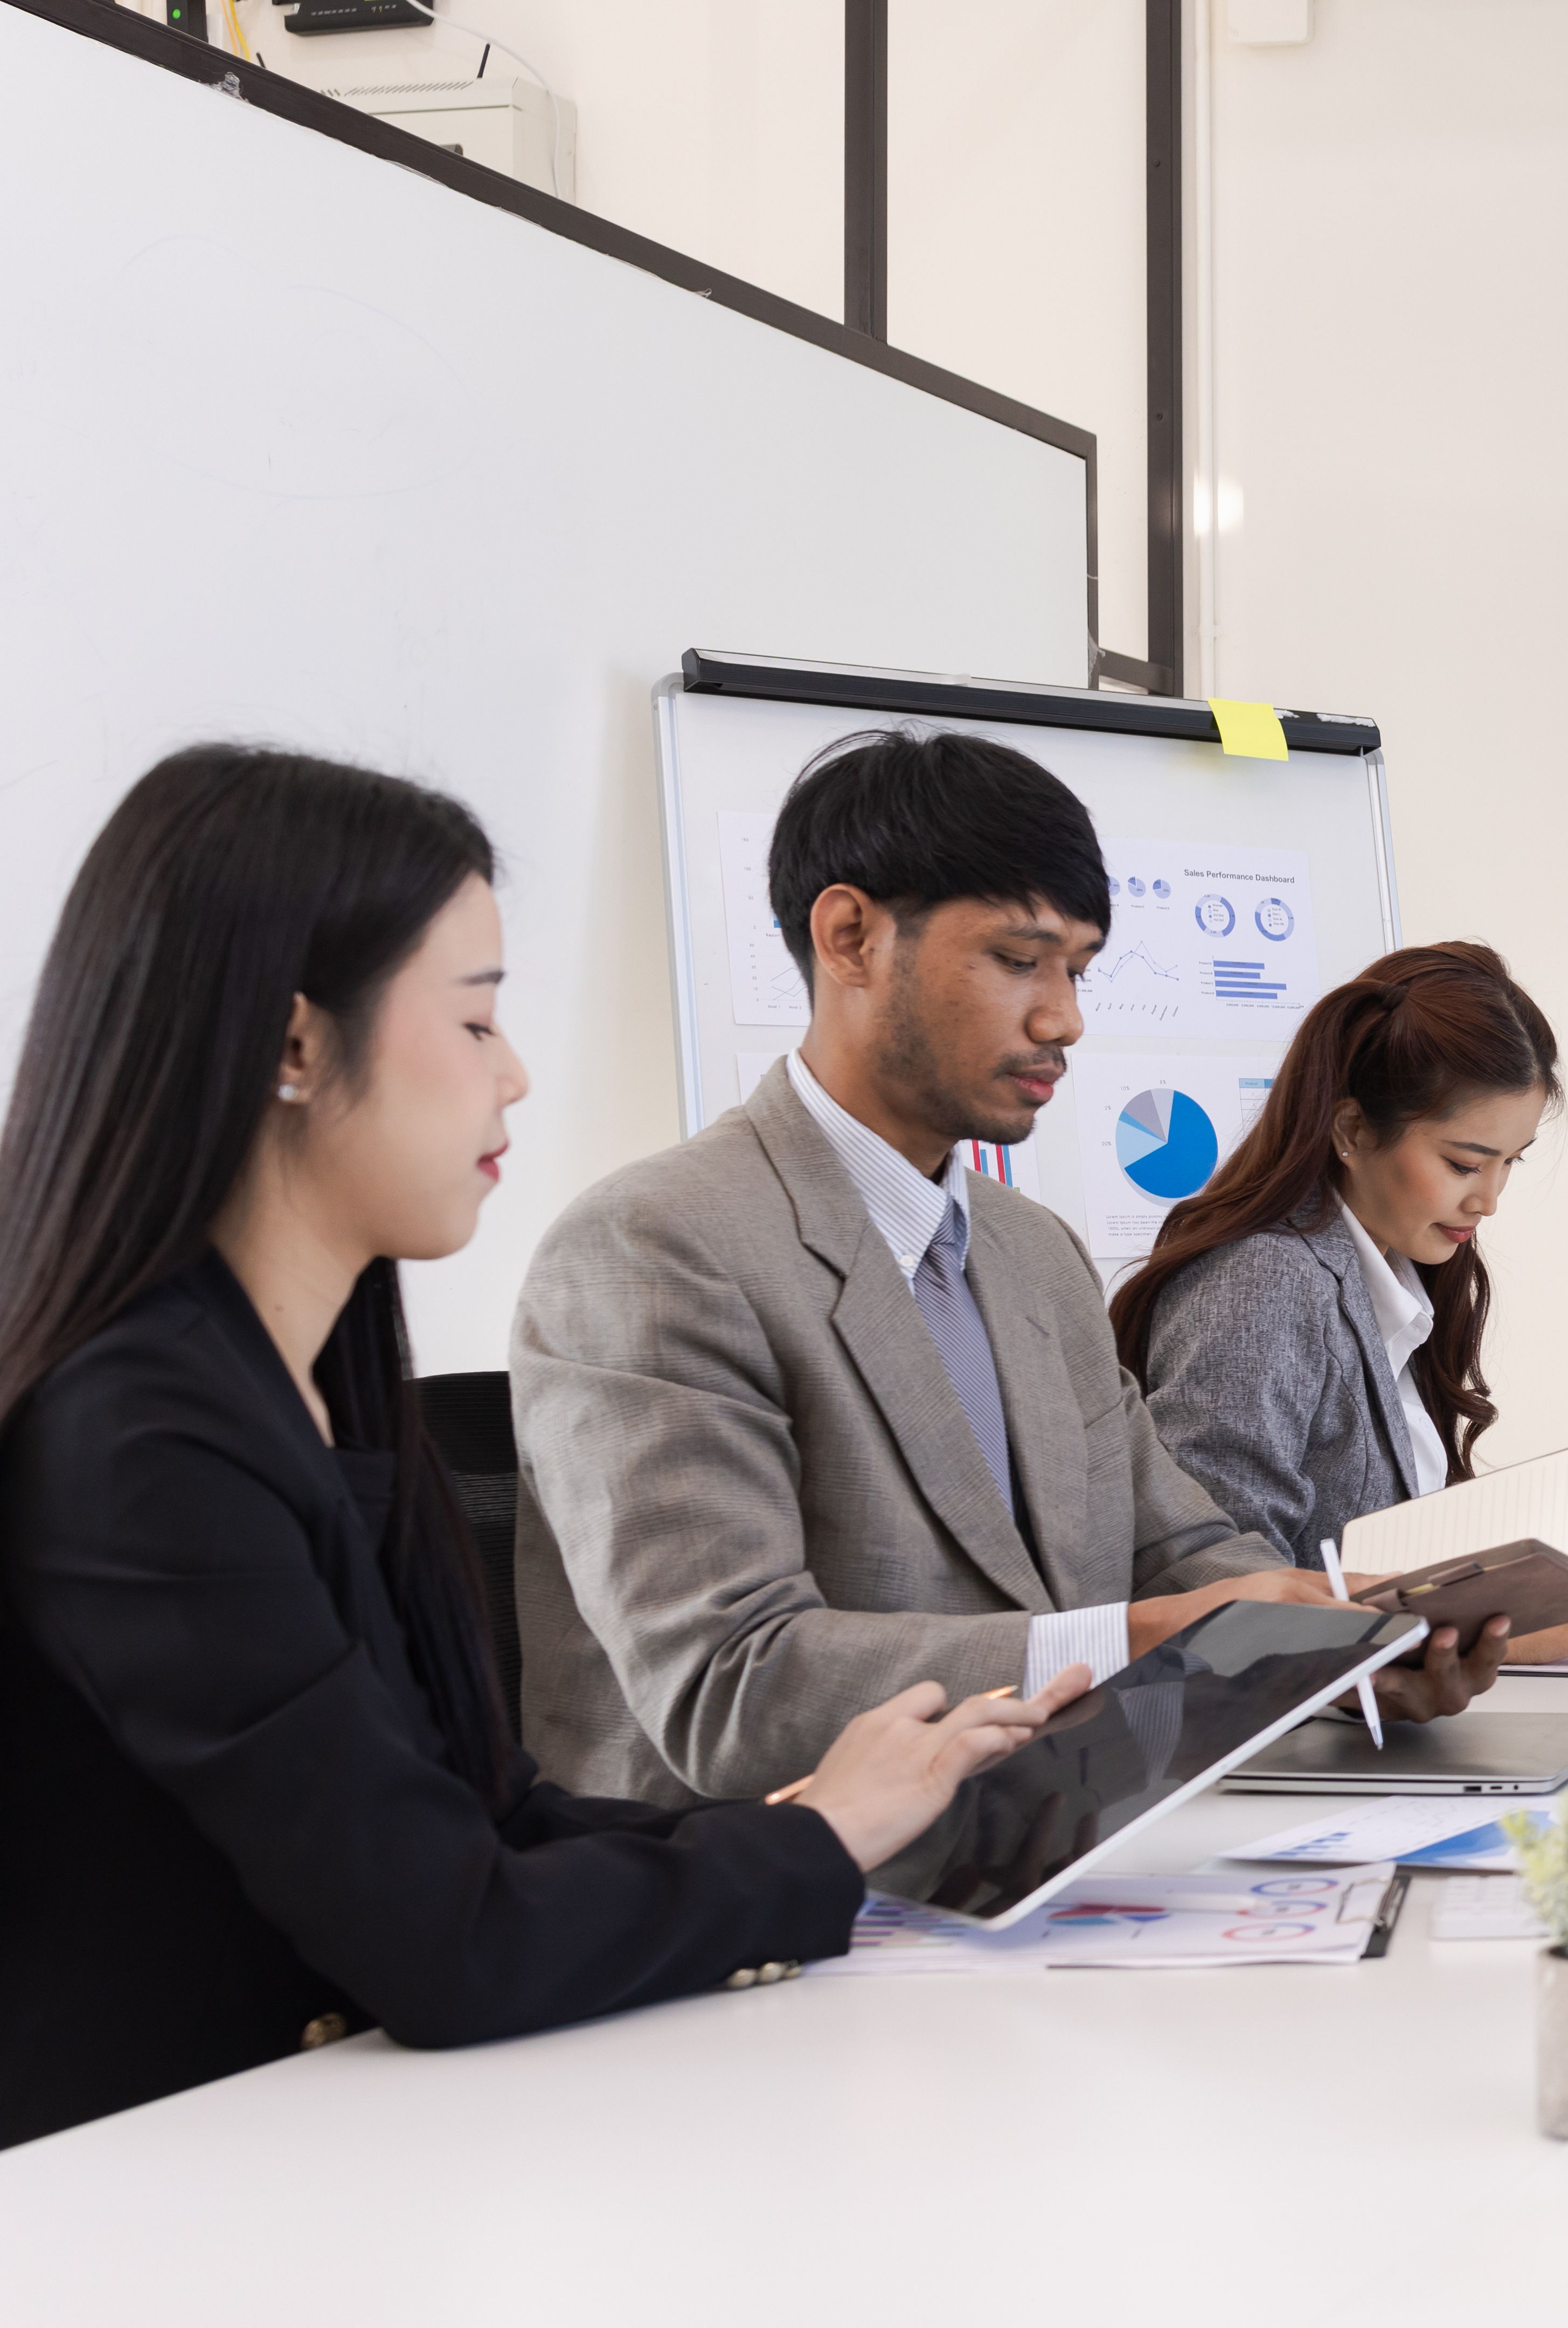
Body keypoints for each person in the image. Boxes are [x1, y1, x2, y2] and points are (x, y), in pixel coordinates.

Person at [0, 747, 1076, 2148]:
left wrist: (821, 1826)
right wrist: (811, 1844)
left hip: (324, 2141)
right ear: (291, 1044)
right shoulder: (143, 1436)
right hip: (159, 2191)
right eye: (474, 1022)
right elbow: (447, 1931)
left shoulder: (311, 1382)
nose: (515, 1077)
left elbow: (486, 1815)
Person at [511, 729, 1504, 1806]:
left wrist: (1343, 1652)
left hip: (1052, 1858)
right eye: (1019, 960)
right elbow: (729, 1690)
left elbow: (1178, 1553)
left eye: (1077, 970)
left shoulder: (1033, 1253)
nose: (1063, 1019)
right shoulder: (655, 1247)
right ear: (849, 937)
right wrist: (1126, 1642)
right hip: (776, 1911)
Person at [1112, 941, 1568, 1662]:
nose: (1488, 1199)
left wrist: (1532, 1598)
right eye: (1463, 1163)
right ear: (1354, 1130)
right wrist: (1502, 1640)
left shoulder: (1395, 1271)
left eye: (1510, 1163)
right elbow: (1218, 1592)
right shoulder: (1260, 1284)